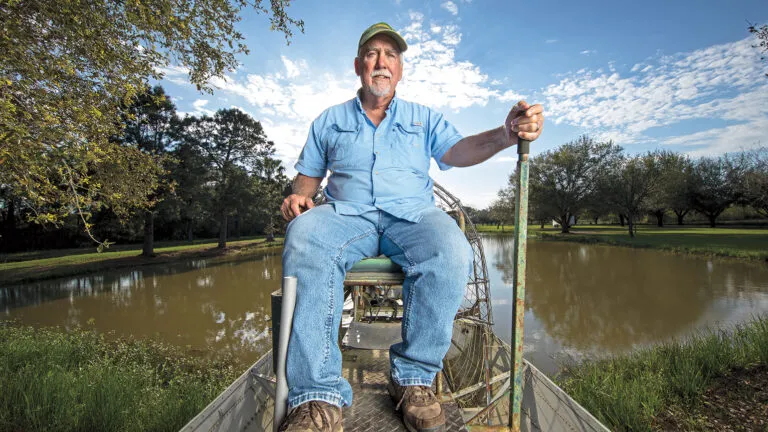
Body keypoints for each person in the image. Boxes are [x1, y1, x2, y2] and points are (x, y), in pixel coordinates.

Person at [279, 22, 544, 432]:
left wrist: (506, 133)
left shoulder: (423, 118)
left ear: (400, 70)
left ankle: (413, 380)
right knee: (304, 237)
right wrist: (299, 195)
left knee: (451, 249)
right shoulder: (329, 120)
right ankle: (317, 396)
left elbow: (459, 150)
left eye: (391, 56)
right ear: (358, 65)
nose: (381, 63)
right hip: (347, 216)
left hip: (413, 217)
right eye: (372, 54)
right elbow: (308, 179)